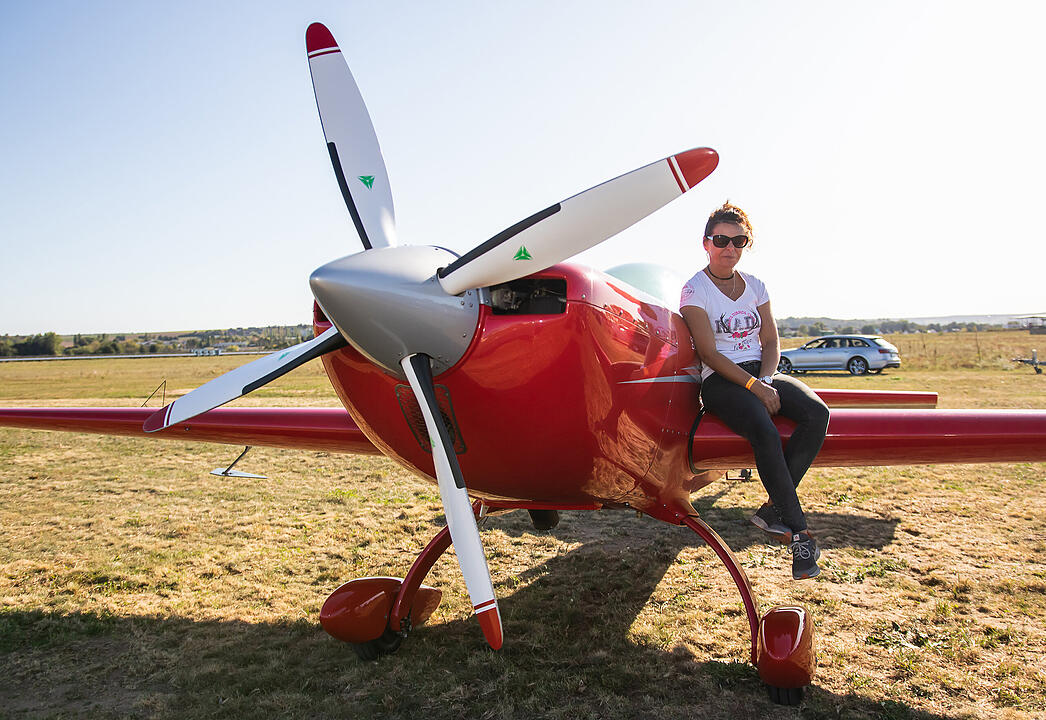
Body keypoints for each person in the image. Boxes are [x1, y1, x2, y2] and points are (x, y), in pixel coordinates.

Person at [680, 202, 829, 580]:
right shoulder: (693, 290)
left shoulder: (757, 286)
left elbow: (770, 340)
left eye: (738, 240)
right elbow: (710, 353)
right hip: (720, 381)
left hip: (760, 373)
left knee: (818, 413)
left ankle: (772, 510)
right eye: (721, 240)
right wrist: (753, 388)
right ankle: (800, 534)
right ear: (707, 243)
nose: (729, 247)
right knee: (762, 427)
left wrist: (765, 380)